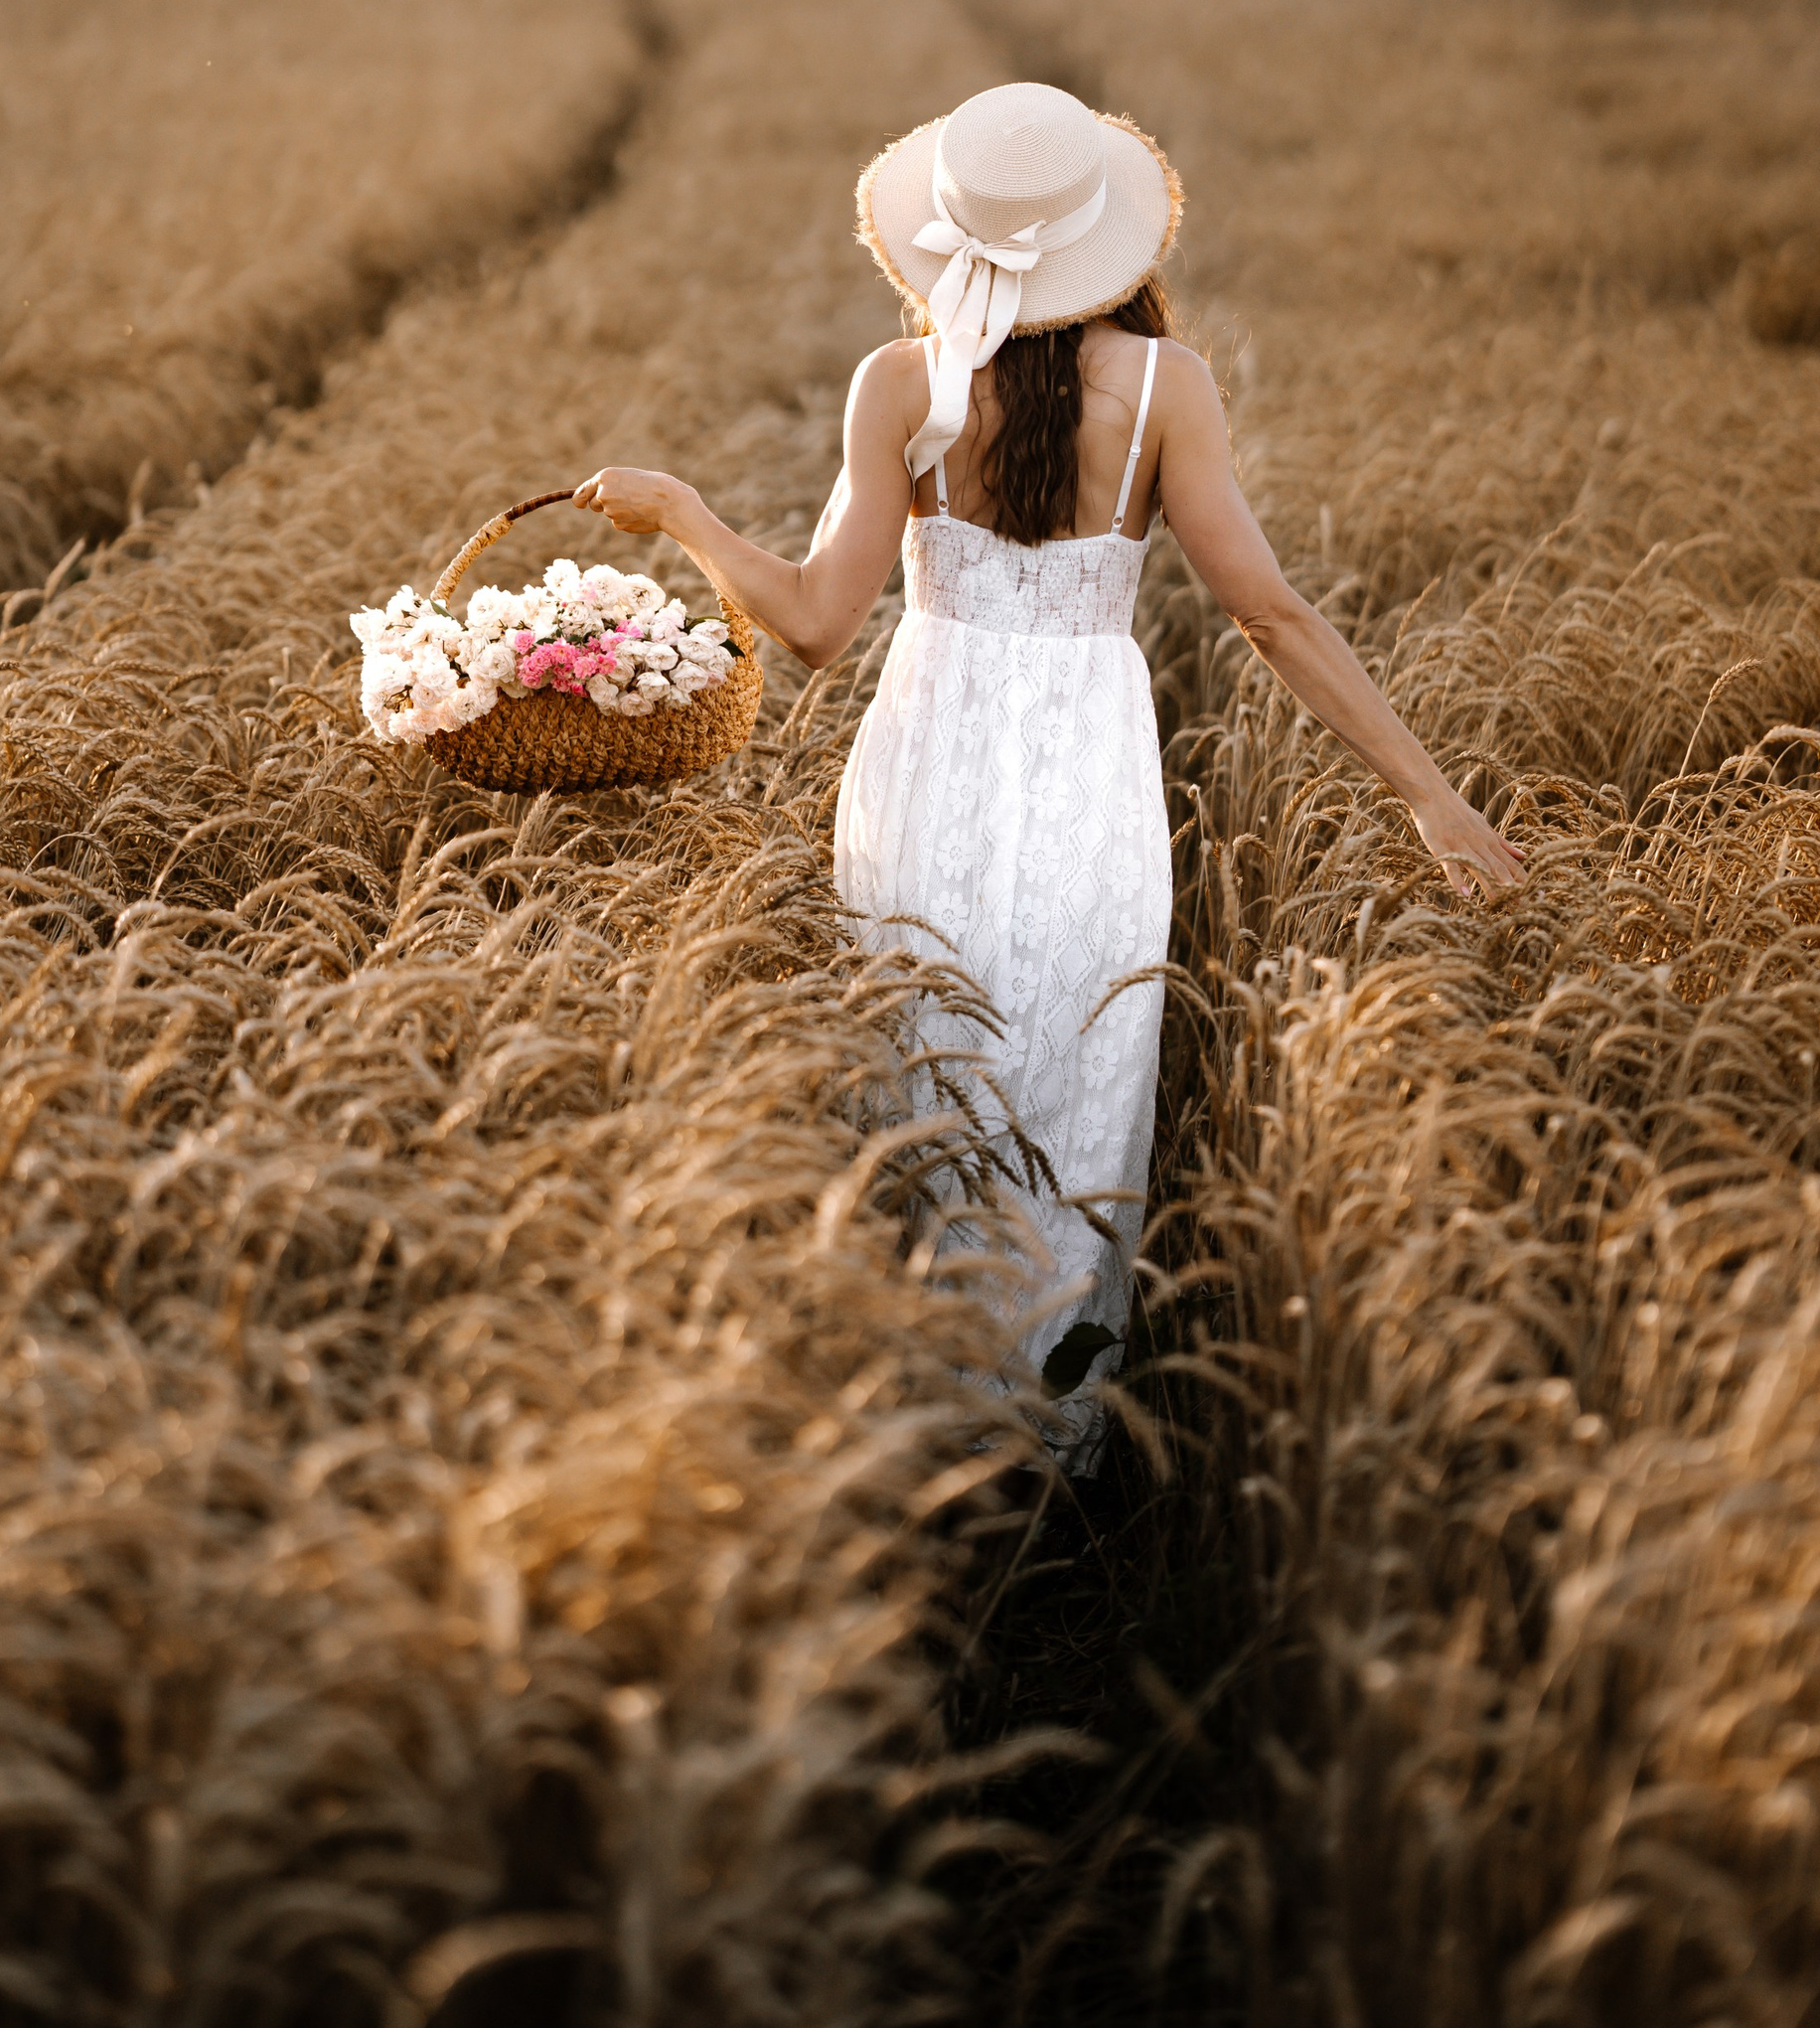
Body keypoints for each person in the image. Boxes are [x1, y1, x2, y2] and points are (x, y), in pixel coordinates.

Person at [574, 81, 1522, 1433]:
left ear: (949, 240)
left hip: (930, 757)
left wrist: (680, 511)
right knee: (1077, 1074)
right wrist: (1432, 796)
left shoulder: (901, 383)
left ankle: (909, 1430)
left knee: (922, 1063)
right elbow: (1273, 612)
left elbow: (814, 624)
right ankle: (1053, 1436)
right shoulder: (1165, 394)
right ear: (1105, 242)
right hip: (1092, 766)